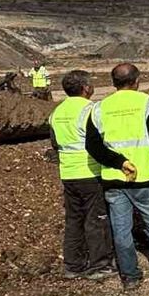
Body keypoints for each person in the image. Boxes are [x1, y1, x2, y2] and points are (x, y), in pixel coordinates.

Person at [84, 63, 149, 291]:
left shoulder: (98, 109)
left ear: (113, 83)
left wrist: (119, 163)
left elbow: (92, 146)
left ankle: (130, 276)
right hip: (144, 178)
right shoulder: (148, 103)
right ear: (137, 80)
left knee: (121, 229)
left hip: (114, 179)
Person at [49, 70, 116, 280]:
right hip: (89, 171)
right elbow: (102, 140)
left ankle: (73, 264)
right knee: (96, 218)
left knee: (74, 219)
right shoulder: (91, 110)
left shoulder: (56, 112)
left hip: (68, 173)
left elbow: (55, 144)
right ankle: (100, 265)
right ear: (86, 88)